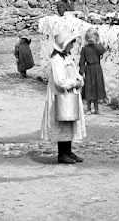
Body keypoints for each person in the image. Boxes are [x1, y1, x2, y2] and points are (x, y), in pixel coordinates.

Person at [41, 30, 86, 164]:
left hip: (70, 95)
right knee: (62, 123)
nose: (72, 45)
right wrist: (73, 83)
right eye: (71, 43)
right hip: (62, 96)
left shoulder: (66, 58)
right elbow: (60, 82)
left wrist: (79, 81)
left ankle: (68, 151)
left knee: (69, 122)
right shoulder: (57, 61)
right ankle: (62, 153)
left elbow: (75, 73)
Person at [80, 27, 108, 114]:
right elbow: (82, 61)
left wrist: (96, 43)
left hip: (97, 69)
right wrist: (82, 72)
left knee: (96, 88)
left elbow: (103, 51)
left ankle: (96, 109)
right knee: (89, 89)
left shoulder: (97, 47)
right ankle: (88, 108)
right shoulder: (85, 49)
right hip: (89, 69)